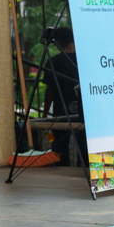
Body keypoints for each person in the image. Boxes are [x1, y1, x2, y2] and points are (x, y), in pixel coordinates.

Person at [45, 27, 85, 162]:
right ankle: (83, 171)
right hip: (82, 111)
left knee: (60, 150)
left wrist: (45, 114)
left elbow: (49, 91)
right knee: (84, 148)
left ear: (58, 41)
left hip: (61, 111)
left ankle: (62, 172)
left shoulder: (53, 62)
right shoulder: (84, 60)